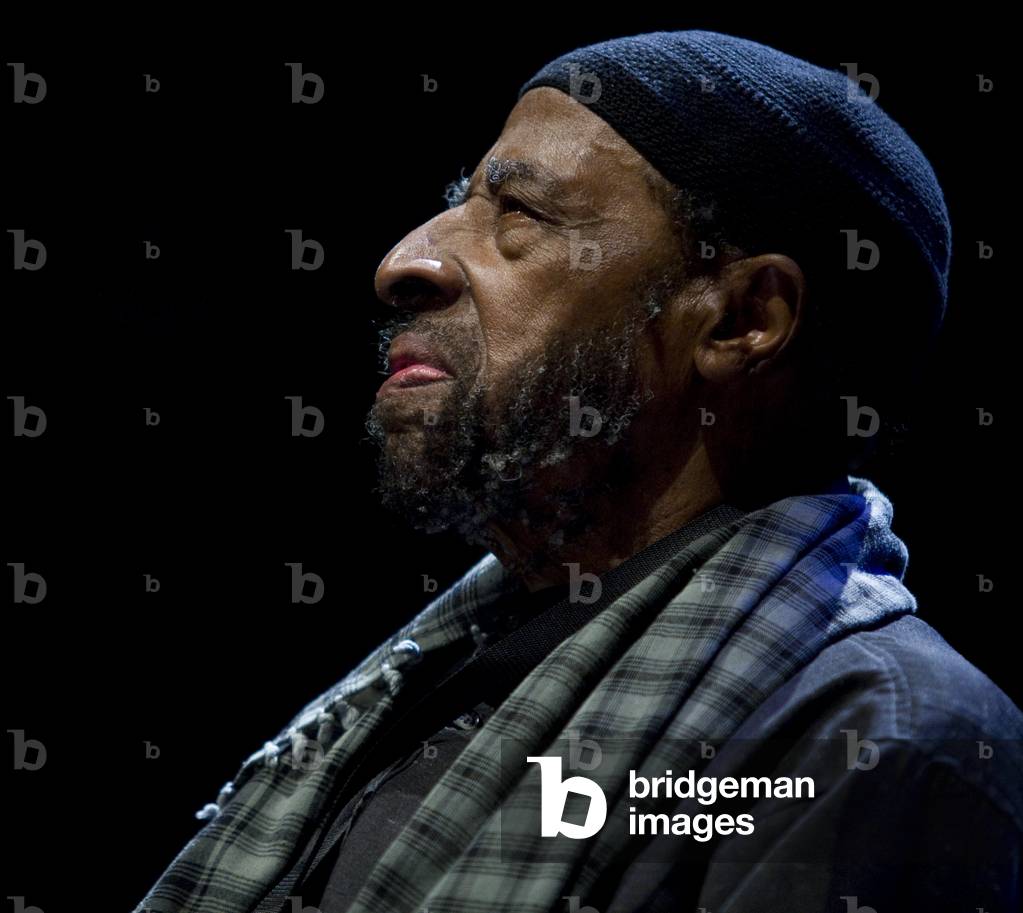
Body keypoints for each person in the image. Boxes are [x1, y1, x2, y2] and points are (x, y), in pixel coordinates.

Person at [136, 30, 1023, 913]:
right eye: (459, 204)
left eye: (518, 214)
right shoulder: (438, 677)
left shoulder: (872, 739)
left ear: (740, 322)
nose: (403, 263)